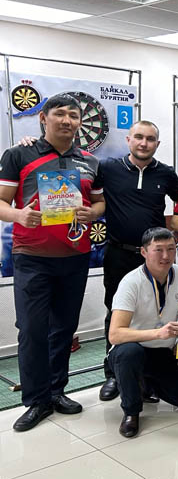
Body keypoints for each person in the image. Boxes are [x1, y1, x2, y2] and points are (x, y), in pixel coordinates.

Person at [18, 120, 178, 403]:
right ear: (128, 140)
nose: (144, 143)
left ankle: (148, 375)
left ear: (157, 144)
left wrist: (177, 231)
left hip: (156, 258)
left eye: (150, 139)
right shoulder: (107, 167)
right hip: (119, 253)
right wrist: (30, 144)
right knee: (115, 312)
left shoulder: (166, 173)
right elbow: (65, 167)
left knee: (158, 310)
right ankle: (114, 374)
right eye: (139, 137)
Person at [0, 94, 105, 432]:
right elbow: (1, 201)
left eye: (73, 115)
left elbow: (100, 203)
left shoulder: (90, 161)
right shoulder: (19, 154)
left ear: (79, 123)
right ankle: (36, 400)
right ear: (43, 118)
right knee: (32, 330)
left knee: (63, 328)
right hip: (32, 257)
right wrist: (19, 215)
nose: (67, 120)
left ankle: (57, 391)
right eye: (59, 113)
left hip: (75, 257)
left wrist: (92, 212)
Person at [107, 227, 178, 438]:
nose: (166, 256)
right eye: (158, 250)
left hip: (164, 351)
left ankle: (147, 382)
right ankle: (131, 411)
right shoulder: (131, 282)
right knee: (128, 353)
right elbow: (115, 335)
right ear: (144, 252)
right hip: (134, 349)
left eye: (171, 249)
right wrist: (157, 333)